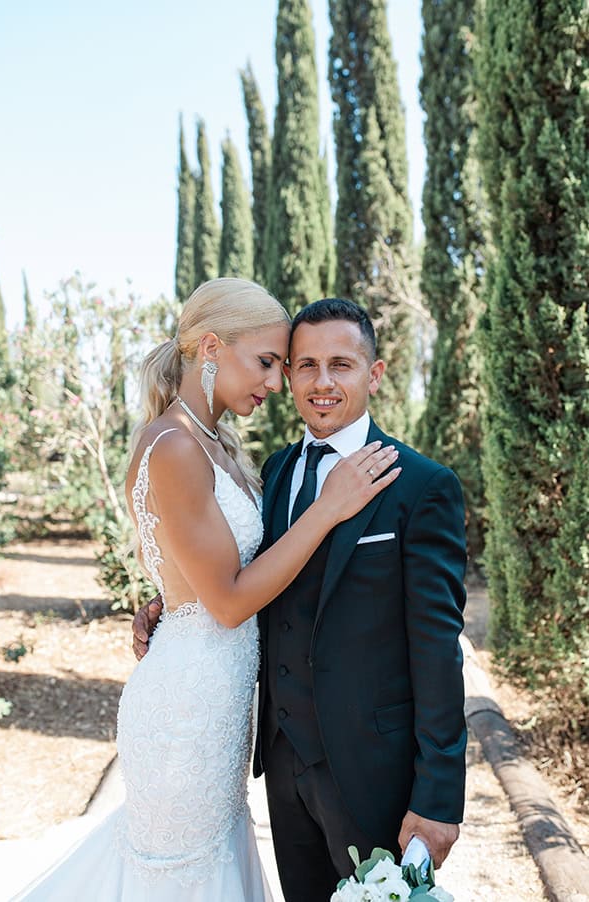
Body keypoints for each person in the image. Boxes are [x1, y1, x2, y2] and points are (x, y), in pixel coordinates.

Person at [15, 281, 400, 902]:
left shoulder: (216, 443)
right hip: (185, 712)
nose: (276, 384)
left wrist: (170, 599)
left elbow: (207, 570)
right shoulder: (174, 445)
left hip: (220, 708)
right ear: (213, 346)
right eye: (267, 362)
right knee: (176, 875)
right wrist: (326, 509)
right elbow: (224, 602)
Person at [134, 297, 467, 902]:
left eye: (341, 364)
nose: (321, 382)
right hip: (280, 768)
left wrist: (439, 796)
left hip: (373, 773)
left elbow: (439, 648)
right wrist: (170, 606)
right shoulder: (278, 471)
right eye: (304, 365)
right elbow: (239, 577)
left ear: (376, 373)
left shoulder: (422, 487)